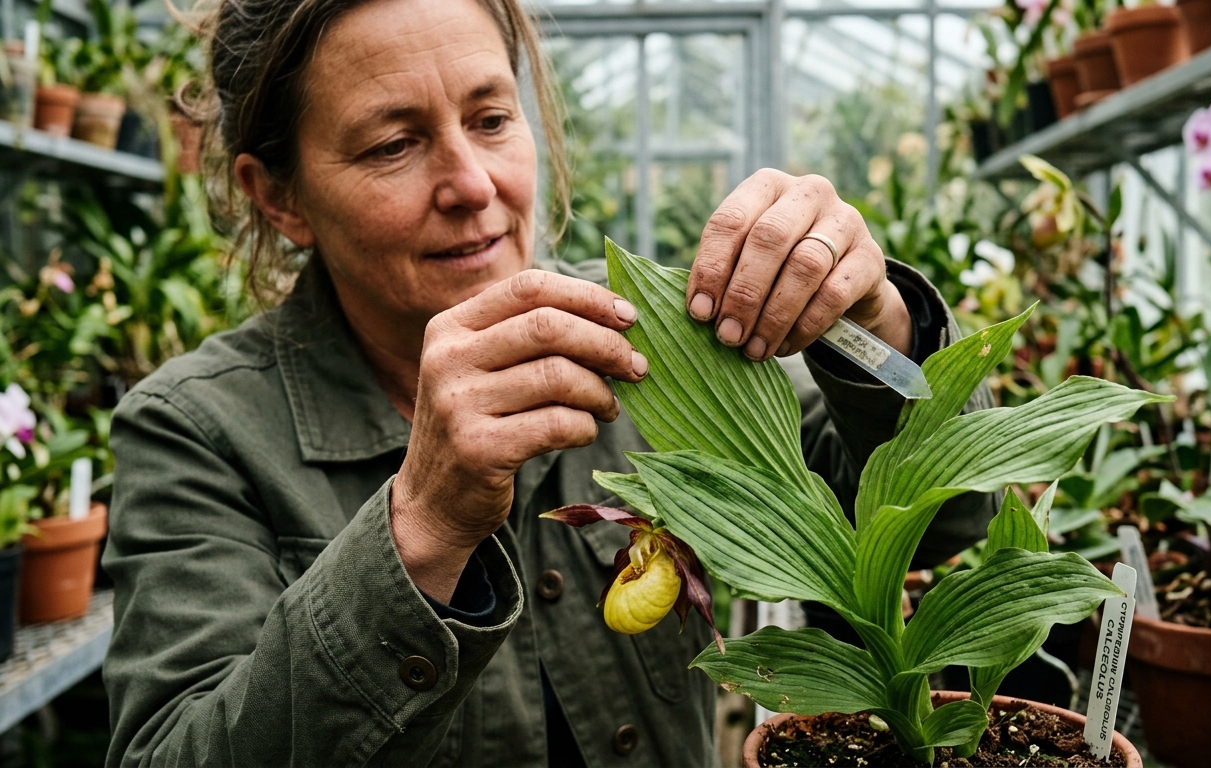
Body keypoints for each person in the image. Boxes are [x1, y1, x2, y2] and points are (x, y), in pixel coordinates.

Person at [101, 0, 994, 764]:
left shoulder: (638, 336)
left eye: (491, 119)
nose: (472, 183)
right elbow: (172, 749)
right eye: (393, 144)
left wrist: (875, 324)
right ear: (280, 197)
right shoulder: (197, 429)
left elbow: (949, 520)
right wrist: (423, 527)